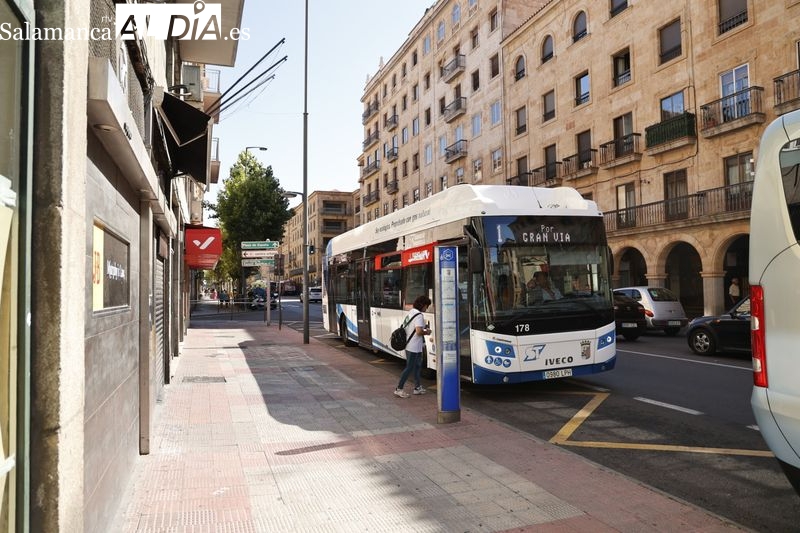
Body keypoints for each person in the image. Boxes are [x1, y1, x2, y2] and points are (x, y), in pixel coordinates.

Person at [394, 295, 432, 398]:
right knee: (410, 367)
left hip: (412, 345)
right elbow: (418, 331)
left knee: (417, 366)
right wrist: (427, 332)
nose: (426, 308)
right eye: (426, 306)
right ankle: (399, 388)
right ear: (423, 305)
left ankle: (417, 387)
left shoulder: (411, 312)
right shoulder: (419, 315)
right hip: (413, 346)